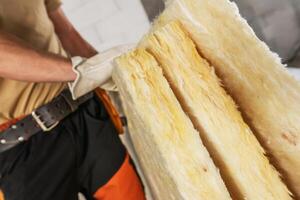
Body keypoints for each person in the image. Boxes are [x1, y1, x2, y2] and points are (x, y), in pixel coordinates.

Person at [0, 0, 145, 199]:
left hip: (83, 111)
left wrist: (107, 69)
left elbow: (65, 30)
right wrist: (79, 71)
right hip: (23, 149)